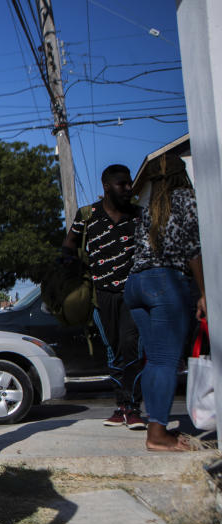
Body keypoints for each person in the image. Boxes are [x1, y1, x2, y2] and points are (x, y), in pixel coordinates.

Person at [124, 154, 206, 451]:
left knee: (154, 360)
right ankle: (157, 434)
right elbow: (193, 248)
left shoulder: (146, 201)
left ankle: (154, 424)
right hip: (165, 282)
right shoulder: (184, 197)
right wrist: (204, 291)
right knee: (166, 361)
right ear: (179, 174)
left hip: (135, 284)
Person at [62, 164, 145, 428]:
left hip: (133, 293)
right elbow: (69, 245)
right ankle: (120, 406)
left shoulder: (138, 215)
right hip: (101, 294)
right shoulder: (88, 216)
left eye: (129, 183)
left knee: (132, 347)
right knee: (113, 350)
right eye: (122, 184)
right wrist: (72, 269)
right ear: (107, 186)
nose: (128, 188)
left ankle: (133, 408)